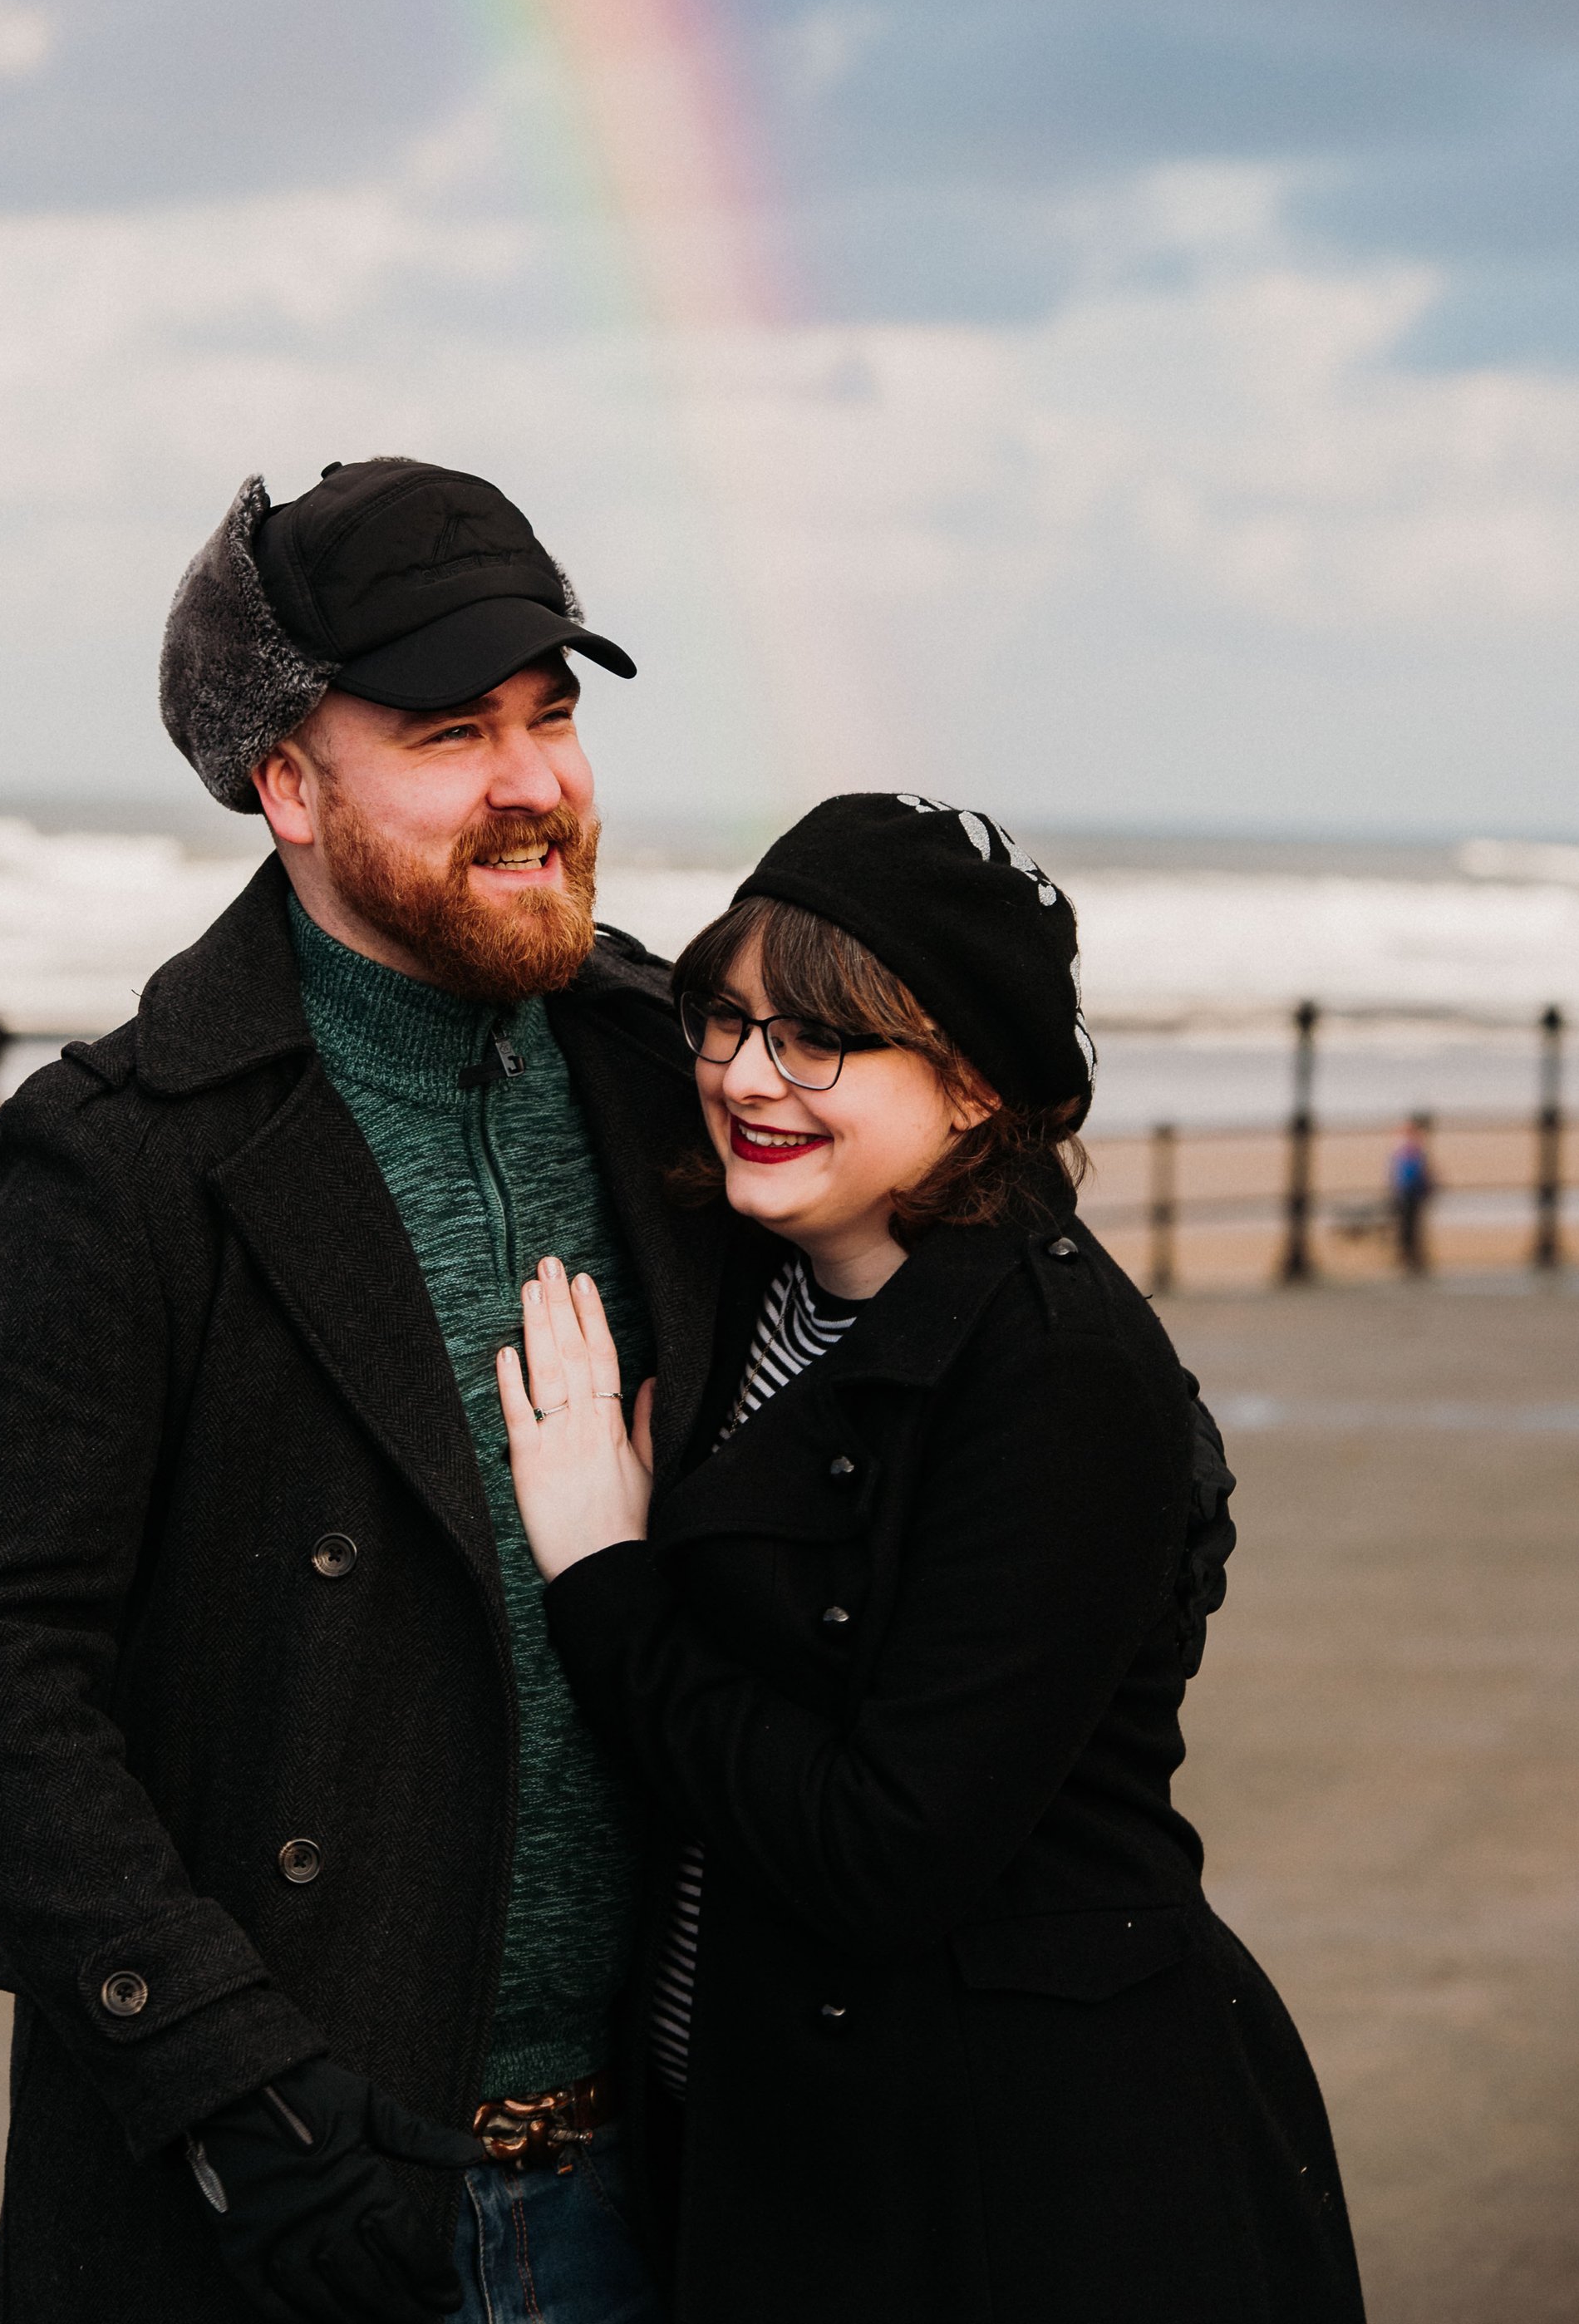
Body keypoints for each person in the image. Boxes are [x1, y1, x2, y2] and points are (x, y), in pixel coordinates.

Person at [0, 457, 710, 2324]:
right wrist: (233, 2091)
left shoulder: (679, 1080)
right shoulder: (128, 1160)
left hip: (674, 2177)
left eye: (551, 714)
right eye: (446, 732)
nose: (533, 785)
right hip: (286, 2206)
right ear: (287, 788)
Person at [492, 794, 1364, 2324]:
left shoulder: (1058, 1376)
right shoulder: (760, 1279)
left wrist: (600, 1576)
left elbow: (885, 1850)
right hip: (763, 2155)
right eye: (730, 1018)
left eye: (821, 1039)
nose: (750, 1077)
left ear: (969, 1085)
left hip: (1008, 2189)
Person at [1390, 1114, 1437, 1274]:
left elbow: (1414, 1173)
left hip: (1411, 1192)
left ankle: (1410, 1256)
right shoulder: (1409, 1150)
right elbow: (1413, 1173)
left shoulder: (1408, 1150)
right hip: (1408, 1192)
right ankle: (1409, 1257)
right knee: (1409, 1227)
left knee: (1410, 1227)